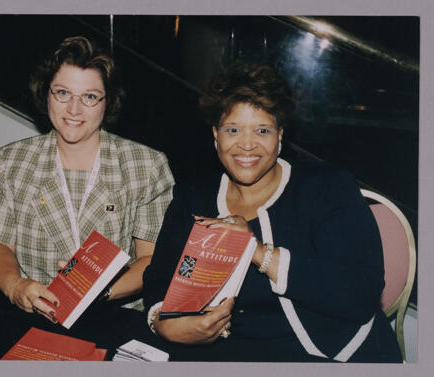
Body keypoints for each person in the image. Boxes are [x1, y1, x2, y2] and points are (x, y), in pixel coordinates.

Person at [142, 61, 402, 362]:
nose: (247, 145)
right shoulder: (193, 196)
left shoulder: (327, 188)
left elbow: (360, 294)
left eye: (262, 130)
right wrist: (164, 324)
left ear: (280, 134)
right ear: (216, 135)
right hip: (232, 354)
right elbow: (159, 279)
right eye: (233, 129)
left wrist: (256, 250)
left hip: (339, 353)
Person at [0, 36, 174, 323]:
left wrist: (100, 291)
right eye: (63, 93)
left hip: (113, 315)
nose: (73, 109)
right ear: (46, 93)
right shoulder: (14, 160)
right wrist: (15, 286)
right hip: (34, 312)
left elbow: (152, 260)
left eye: (89, 97)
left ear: (107, 102)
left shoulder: (145, 166)